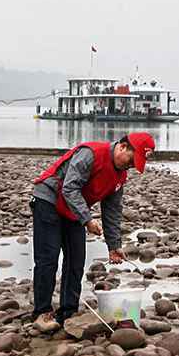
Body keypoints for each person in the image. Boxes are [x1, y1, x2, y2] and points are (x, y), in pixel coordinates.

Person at [29, 132, 155, 333]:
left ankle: (67, 312)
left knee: (76, 260)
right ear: (122, 147)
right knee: (48, 258)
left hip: (73, 210)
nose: (130, 166)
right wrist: (87, 220)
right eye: (132, 160)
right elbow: (69, 188)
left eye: (135, 164)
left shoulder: (119, 177)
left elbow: (112, 212)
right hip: (49, 200)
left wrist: (114, 246)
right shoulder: (91, 154)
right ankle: (41, 313)